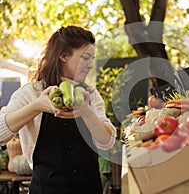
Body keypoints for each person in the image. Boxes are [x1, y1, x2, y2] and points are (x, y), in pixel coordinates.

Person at [0, 25, 116, 193]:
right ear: (63, 56)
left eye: (92, 59)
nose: (91, 65)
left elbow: (107, 142)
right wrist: (36, 106)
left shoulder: (90, 95)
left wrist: (87, 112)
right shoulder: (30, 93)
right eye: (85, 58)